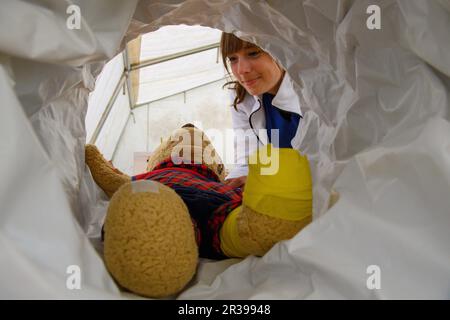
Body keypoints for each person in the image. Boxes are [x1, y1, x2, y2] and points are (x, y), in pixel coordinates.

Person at [220, 32, 303, 189]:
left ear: (281, 49)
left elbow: (322, 166)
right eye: (232, 59)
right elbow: (248, 160)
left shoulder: (314, 94)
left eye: (253, 53)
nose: (242, 70)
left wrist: (266, 179)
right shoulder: (241, 96)